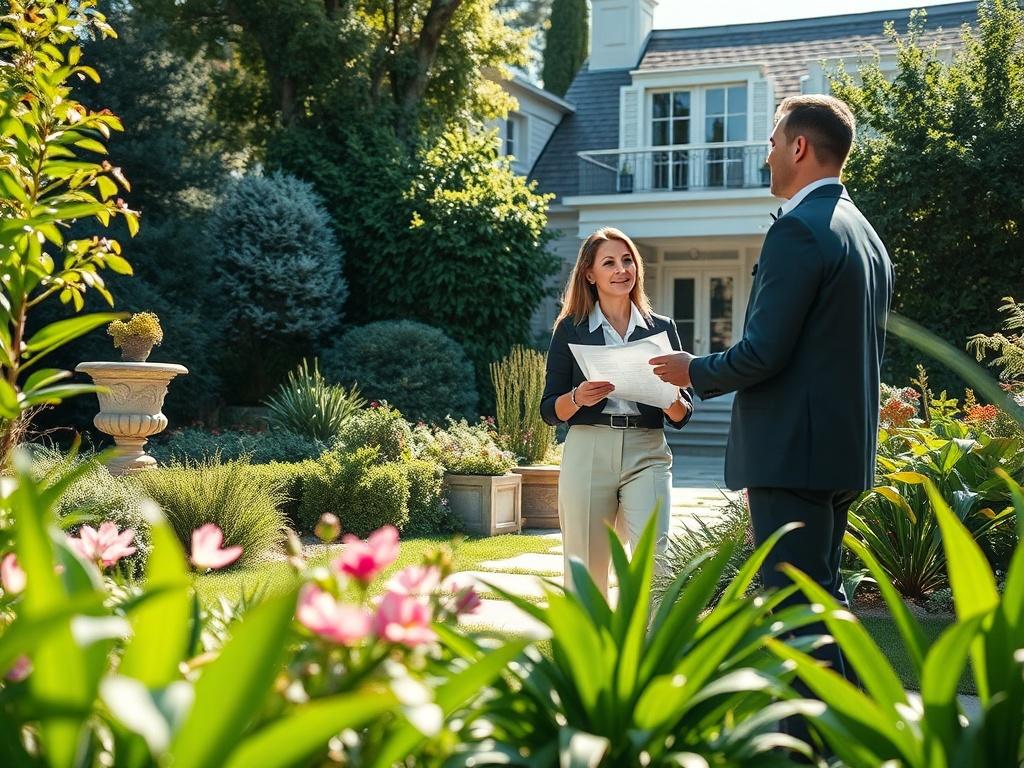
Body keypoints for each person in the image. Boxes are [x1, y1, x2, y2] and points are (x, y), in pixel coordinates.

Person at [650, 94, 894, 686]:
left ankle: (807, 744)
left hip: (792, 455)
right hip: (840, 454)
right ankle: (859, 727)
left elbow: (762, 353)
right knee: (820, 599)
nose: (767, 158)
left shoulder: (799, 232)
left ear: (799, 147)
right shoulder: (866, 236)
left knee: (793, 609)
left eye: (770, 144)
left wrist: (693, 371)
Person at [541, 227, 693, 597]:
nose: (622, 269)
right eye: (609, 262)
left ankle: (654, 648)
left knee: (655, 561)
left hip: (648, 449)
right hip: (589, 450)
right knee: (586, 565)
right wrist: (577, 397)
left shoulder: (661, 328)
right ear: (590, 274)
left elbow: (683, 411)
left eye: (627, 261)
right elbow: (549, 410)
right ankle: (589, 651)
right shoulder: (570, 331)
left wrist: (666, 397)